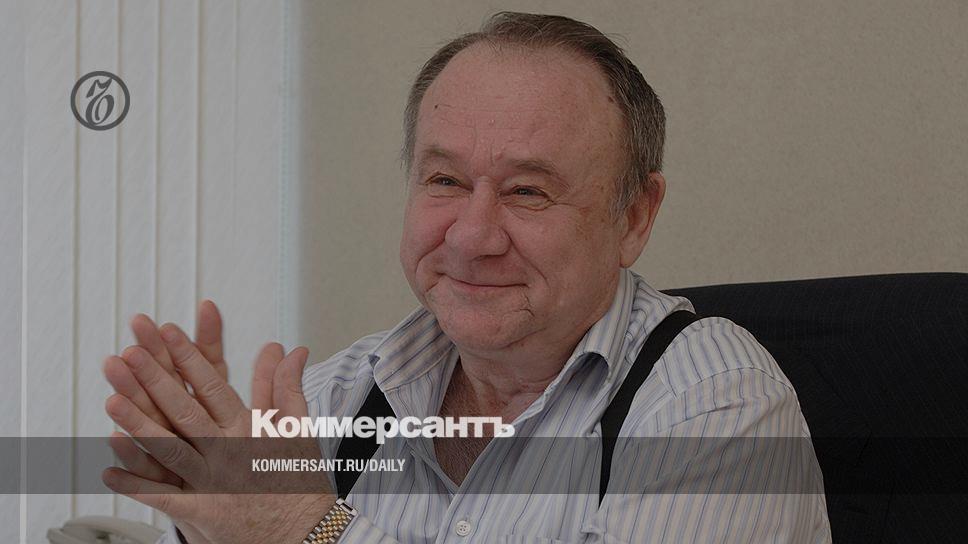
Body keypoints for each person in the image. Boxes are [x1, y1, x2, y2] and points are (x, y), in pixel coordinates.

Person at [101, 12, 832, 543]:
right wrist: (213, 519)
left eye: (527, 191)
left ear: (634, 217)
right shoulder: (334, 399)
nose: (473, 237)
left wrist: (303, 527)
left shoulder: (717, 403)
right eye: (445, 181)